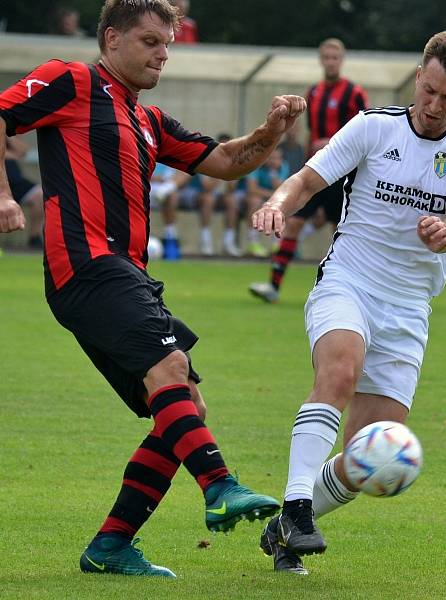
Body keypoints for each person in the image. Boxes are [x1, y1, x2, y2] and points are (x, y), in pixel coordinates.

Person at [0, 0, 305, 578]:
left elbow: (223, 162)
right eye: (149, 41)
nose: (163, 53)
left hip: (125, 273)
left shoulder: (148, 119)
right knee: (170, 369)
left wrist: (270, 132)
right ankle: (220, 485)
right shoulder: (71, 80)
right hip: (88, 263)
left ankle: (111, 546)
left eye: (167, 43)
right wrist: (4, 194)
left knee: (185, 402)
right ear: (111, 40)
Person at [251, 30, 446, 575]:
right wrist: (275, 203)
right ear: (419, 76)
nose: (434, 106)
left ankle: (286, 532)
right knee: (339, 369)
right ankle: (295, 505)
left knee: (371, 455)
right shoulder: (373, 127)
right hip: (349, 282)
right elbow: (307, 179)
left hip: (409, 307)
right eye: (428, 90)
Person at [249, 37, 368, 303]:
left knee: (344, 233)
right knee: (293, 224)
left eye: (334, 57)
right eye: (326, 57)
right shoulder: (313, 92)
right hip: (317, 171)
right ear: (321, 60)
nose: (330, 62)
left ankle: (353, 293)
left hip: (343, 176)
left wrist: (333, 141)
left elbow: (366, 133)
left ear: (342, 60)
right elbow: (311, 133)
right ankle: (273, 287)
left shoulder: (354, 93)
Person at [244, 148, 290, 257]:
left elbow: (283, 189)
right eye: (271, 158)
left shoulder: (284, 166)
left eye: (277, 158)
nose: (274, 161)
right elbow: (252, 189)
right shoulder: (256, 165)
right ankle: (253, 243)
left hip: (270, 198)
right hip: (250, 198)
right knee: (255, 201)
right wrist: (272, 194)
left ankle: (276, 243)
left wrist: (274, 177)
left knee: (281, 204)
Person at [4, 135, 44, 248]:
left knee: (40, 195)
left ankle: (34, 237)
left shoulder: (5, 130)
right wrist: (9, 154)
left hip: (15, 181)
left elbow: (22, 151)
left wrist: (5, 135)